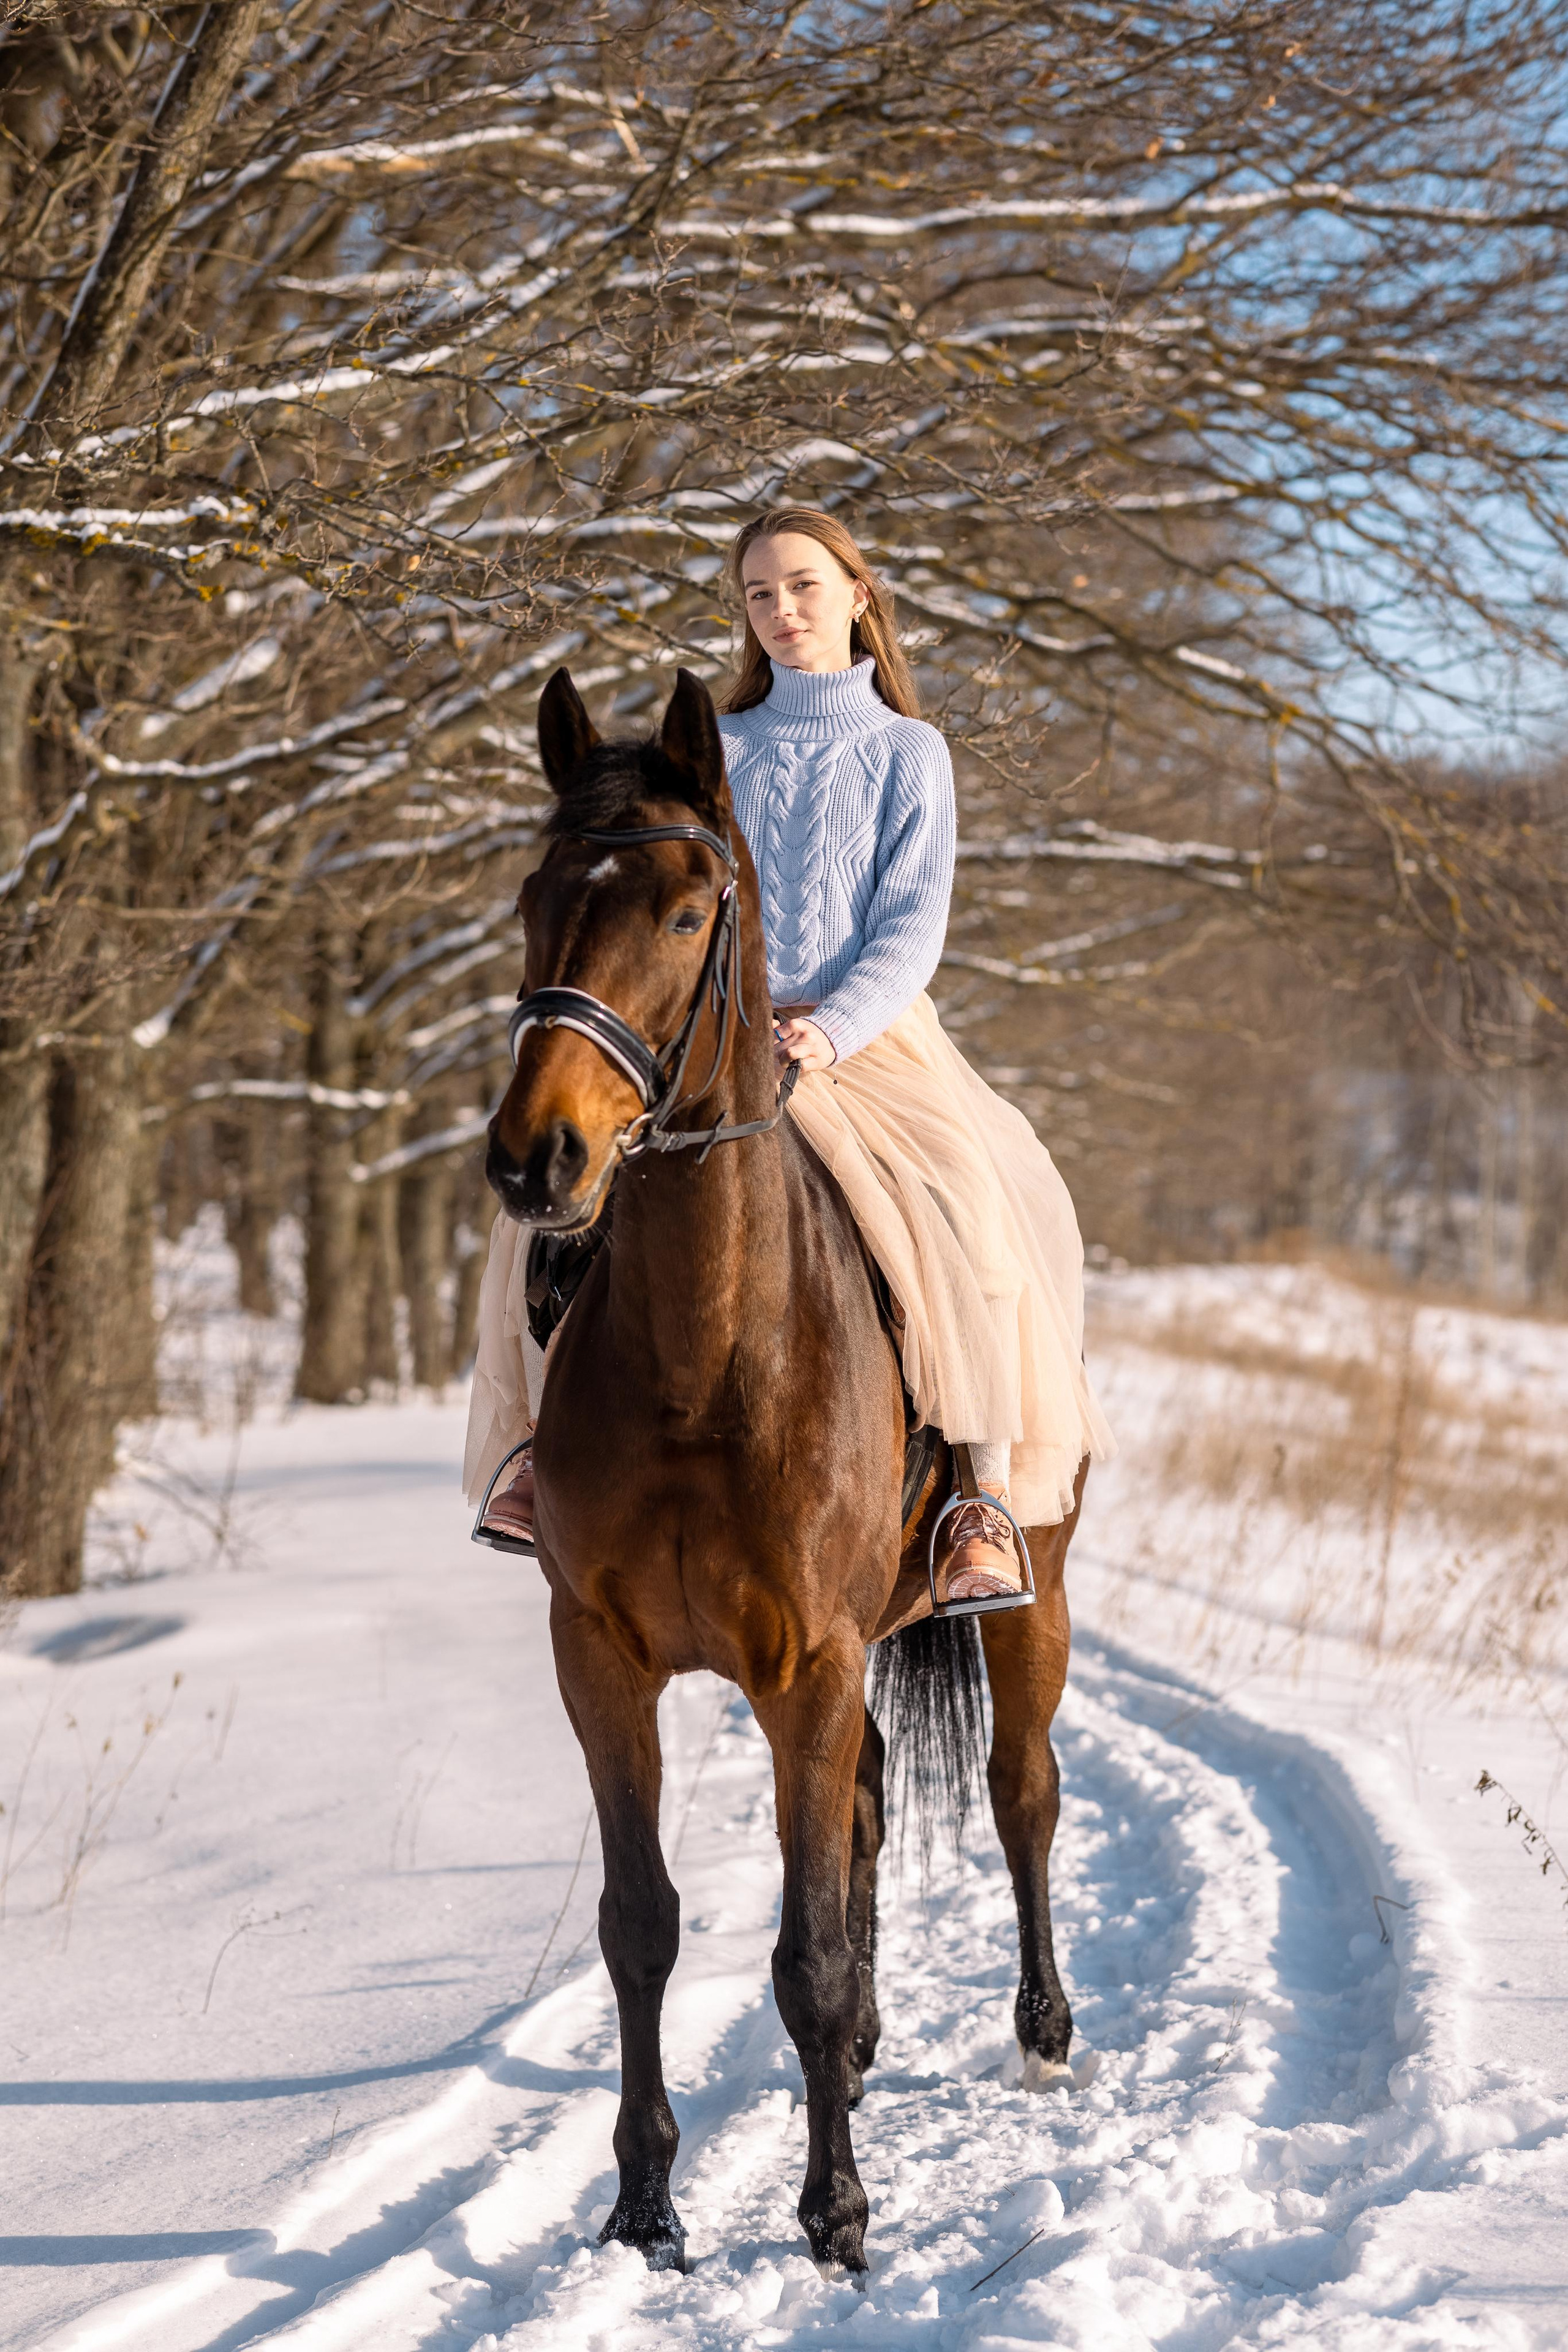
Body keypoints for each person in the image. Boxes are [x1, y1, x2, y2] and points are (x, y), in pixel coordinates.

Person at [467, 507, 1114, 1600]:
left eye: (804, 586)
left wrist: (830, 1026)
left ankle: (980, 1494)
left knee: (973, 1204)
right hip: (713, 1040)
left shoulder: (909, 753)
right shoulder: (712, 749)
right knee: (535, 1221)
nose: (781, 610)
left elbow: (911, 927)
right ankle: (535, 1453)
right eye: (759, 593)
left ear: (858, 594)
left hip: (867, 1039)